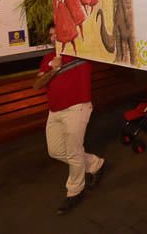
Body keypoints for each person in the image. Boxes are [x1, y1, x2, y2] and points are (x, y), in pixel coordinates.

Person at [33, 23, 105, 215]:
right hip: (55, 111)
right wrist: (53, 70)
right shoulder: (48, 58)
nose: (53, 37)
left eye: (57, 33)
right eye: (51, 35)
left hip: (77, 108)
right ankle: (95, 164)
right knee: (55, 151)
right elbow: (37, 84)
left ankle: (74, 191)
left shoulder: (82, 52)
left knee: (74, 152)